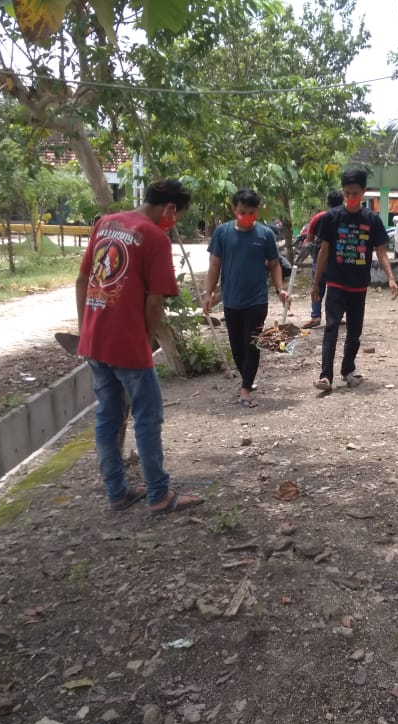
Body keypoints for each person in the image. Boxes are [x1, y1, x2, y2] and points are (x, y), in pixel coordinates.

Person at [76, 179, 204, 515]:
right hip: (127, 343)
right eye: (176, 215)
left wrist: (84, 329)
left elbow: (82, 279)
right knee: (147, 418)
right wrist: (144, 342)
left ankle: (116, 492)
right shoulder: (155, 237)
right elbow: (154, 301)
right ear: (170, 209)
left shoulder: (105, 224)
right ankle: (159, 494)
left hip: (95, 339)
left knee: (108, 415)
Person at [311, 169, 398, 392]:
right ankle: (325, 376)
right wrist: (315, 283)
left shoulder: (372, 220)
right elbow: (324, 251)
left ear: (364, 192)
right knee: (331, 327)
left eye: (355, 193)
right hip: (336, 282)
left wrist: (390, 277)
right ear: (342, 192)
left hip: (358, 285)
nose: (350, 197)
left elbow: (380, 251)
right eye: (346, 193)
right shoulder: (332, 217)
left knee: (354, 331)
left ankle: (347, 369)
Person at [203, 189, 290, 408]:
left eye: (251, 212)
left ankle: (245, 390)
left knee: (252, 343)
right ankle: (248, 379)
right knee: (237, 346)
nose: (246, 216)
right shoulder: (222, 233)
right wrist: (209, 293)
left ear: (257, 212)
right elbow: (214, 264)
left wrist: (280, 289)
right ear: (235, 210)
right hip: (231, 300)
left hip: (257, 300)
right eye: (242, 212)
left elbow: (274, 264)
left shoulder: (265, 235)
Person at [300, 190, 344, 329]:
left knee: (317, 286)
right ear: (342, 201)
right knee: (337, 289)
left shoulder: (319, 217)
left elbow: (309, 239)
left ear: (328, 202)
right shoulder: (345, 217)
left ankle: (316, 316)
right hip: (339, 260)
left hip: (320, 259)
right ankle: (336, 316)